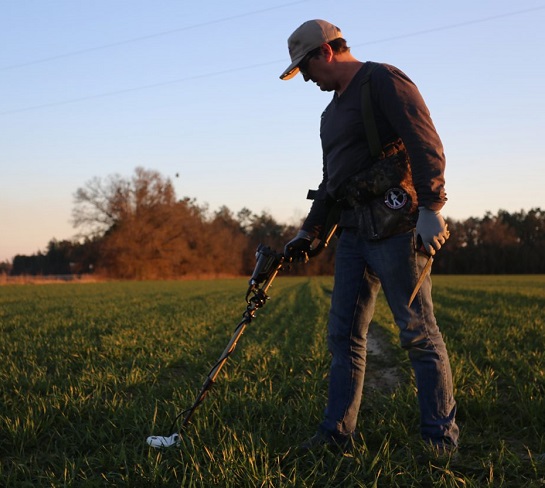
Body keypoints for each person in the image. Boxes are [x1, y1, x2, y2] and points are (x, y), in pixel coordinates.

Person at [280, 19, 459, 454]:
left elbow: (424, 142)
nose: (306, 79)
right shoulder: (329, 114)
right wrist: (310, 229)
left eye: (306, 69)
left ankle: (440, 440)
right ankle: (336, 434)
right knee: (344, 338)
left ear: (325, 52)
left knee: (418, 333)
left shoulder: (383, 80)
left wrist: (431, 208)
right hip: (354, 235)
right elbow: (332, 181)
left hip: (397, 228)